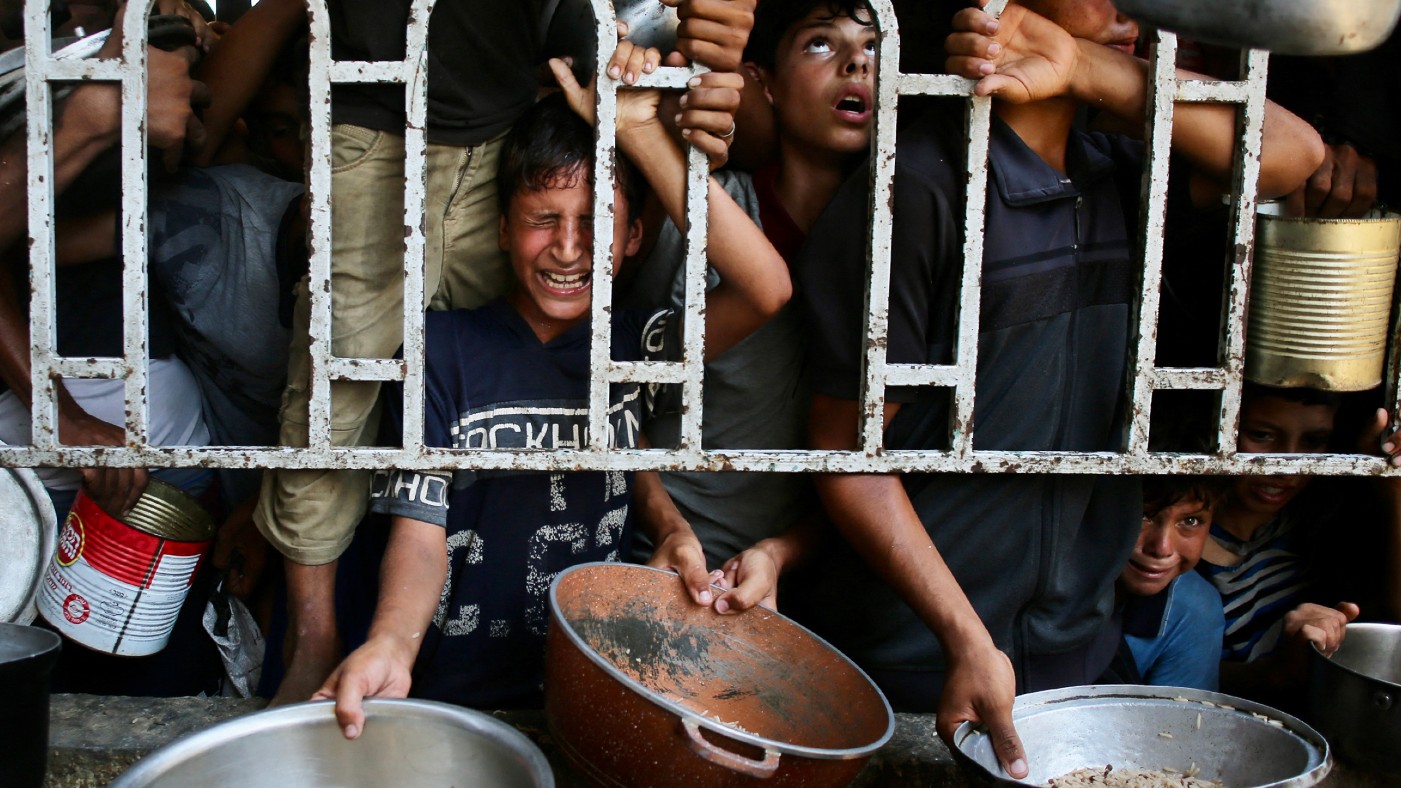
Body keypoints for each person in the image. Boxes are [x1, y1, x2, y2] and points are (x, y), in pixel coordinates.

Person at [796, 0, 1323, 778]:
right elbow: (846, 456)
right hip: (915, 658)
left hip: (1075, 645)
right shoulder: (921, 185)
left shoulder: (1122, 164)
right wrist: (966, 639)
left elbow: (1290, 154)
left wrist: (1083, 66)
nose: (1129, 8)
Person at [253, 0, 759, 705]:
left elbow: (764, 288)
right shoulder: (445, 350)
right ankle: (312, 645)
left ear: (635, 237)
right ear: (502, 229)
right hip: (442, 680)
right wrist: (393, 641)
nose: (568, 248)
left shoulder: (631, 347)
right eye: (543, 220)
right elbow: (420, 525)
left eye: (596, 223)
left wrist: (640, 129)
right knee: (330, 405)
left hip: (578, 680)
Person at [620, 0, 879, 614]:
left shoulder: (898, 244)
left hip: (788, 593)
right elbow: (614, 400)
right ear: (764, 83)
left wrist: (779, 553)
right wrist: (669, 529)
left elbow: (876, 465)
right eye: (821, 43)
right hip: (649, 563)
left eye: (874, 46)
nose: (857, 63)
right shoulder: (702, 213)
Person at [1197, 384, 1401, 707]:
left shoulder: (1319, 522)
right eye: (1262, 435)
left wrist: (1392, 487)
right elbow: (1169, 677)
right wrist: (1278, 672)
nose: (1287, 464)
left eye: (1312, 441)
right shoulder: (1175, 542)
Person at [1117, 476, 1228, 692]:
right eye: (1143, 515)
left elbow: (1180, 712)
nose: (1162, 548)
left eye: (1190, 521)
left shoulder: (1192, 609)